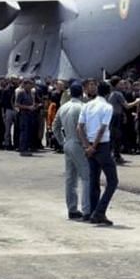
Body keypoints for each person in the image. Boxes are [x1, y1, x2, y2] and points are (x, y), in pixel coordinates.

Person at [77, 80, 118, 226]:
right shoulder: (107, 107)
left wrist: (86, 146)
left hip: (89, 144)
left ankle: (94, 212)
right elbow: (102, 129)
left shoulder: (87, 105)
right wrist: (93, 146)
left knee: (94, 181)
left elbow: (80, 127)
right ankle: (99, 211)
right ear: (109, 93)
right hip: (101, 145)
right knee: (112, 181)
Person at [54, 83, 91, 219]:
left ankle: (72, 208)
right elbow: (84, 128)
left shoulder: (63, 107)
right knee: (86, 176)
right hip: (78, 143)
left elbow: (55, 126)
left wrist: (62, 142)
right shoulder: (82, 107)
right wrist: (87, 145)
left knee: (70, 179)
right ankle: (87, 210)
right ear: (81, 93)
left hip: (68, 142)